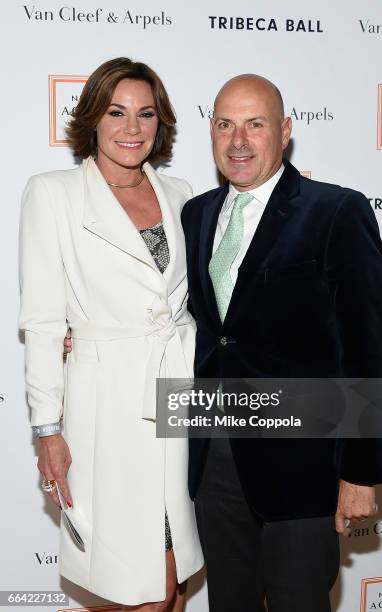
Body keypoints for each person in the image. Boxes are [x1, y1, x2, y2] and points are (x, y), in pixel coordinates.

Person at [181, 74, 382, 611]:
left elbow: (368, 348)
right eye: (226, 124)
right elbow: (197, 327)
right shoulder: (196, 214)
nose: (239, 140)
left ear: (285, 131)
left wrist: (360, 473)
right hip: (214, 457)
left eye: (256, 125)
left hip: (304, 466)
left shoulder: (336, 212)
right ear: (211, 131)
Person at [19, 57, 203, 611]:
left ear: (160, 122)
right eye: (116, 112)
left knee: (173, 579)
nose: (131, 128)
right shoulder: (53, 193)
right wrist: (47, 427)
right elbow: (45, 320)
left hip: (179, 401)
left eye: (145, 114)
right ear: (92, 120)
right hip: (107, 413)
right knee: (128, 584)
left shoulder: (181, 194)